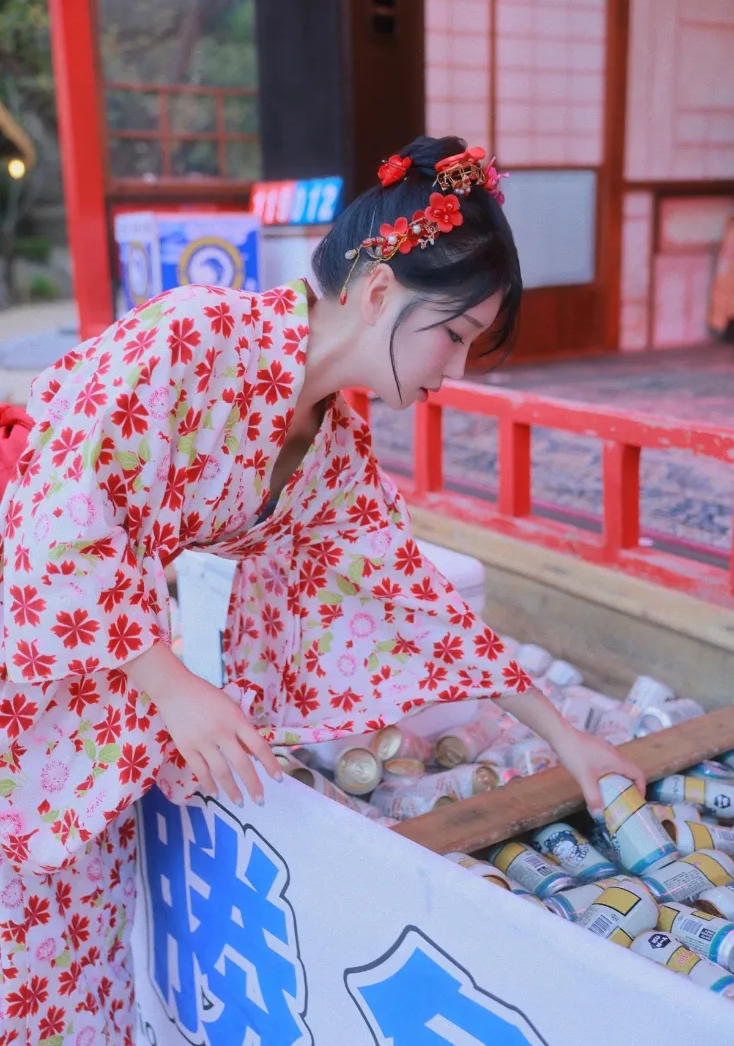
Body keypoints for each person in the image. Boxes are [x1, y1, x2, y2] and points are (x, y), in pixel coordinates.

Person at [0, 136, 644, 1044]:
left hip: (103, 676)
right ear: (378, 289)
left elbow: (418, 605)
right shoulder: (192, 336)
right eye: (453, 335)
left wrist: (567, 739)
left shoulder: (331, 445)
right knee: (26, 966)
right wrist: (171, 684)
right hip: (31, 646)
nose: (453, 371)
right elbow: (54, 508)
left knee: (91, 965)